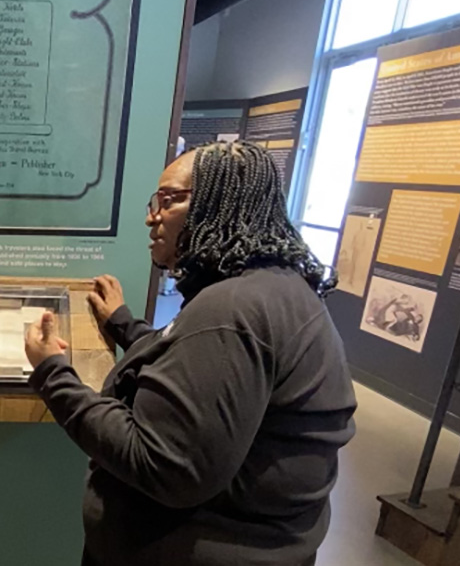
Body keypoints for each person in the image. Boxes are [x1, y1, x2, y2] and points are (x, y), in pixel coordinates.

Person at [25, 141, 357, 566]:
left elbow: (164, 464)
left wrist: (54, 375)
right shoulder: (270, 290)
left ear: (222, 204)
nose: (152, 217)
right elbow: (195, 368)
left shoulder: (232, 310)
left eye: (169, 200)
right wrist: (126, 325)